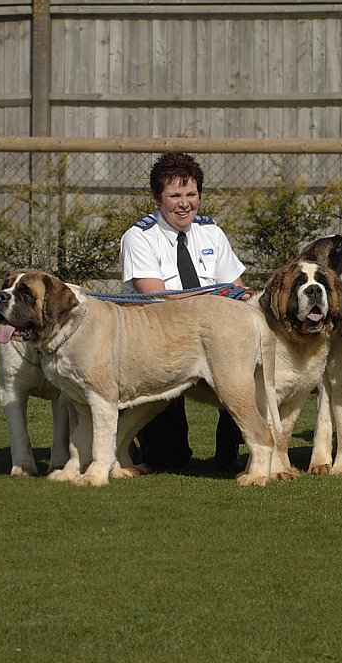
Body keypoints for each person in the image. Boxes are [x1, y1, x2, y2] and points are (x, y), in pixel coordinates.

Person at [119, 152, 248, 472]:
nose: (184, 203)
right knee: (168, 459)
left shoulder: (211, 232)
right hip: (158, 342)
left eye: (191, 194)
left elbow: (236, 291)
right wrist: (214, 297)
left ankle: (230, 446)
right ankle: (124, 433)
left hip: (211, 337)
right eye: (174, 195)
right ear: (156, 197)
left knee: (243, 352)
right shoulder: (139, 237)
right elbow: (157, 299)